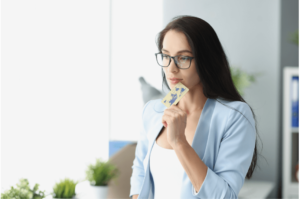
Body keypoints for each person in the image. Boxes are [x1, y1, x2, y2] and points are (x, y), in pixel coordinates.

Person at [129, 15, 261, 199]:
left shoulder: (234, 116)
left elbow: (225, 196)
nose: (171, 69)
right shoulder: (153, 110)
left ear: (207, 60)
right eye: (166, 56)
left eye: (183, 58)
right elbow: (140, 172)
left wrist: (179, 142)